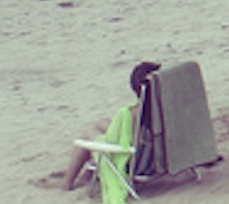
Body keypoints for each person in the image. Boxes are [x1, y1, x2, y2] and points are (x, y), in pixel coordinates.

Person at [63, 62, 162, 190]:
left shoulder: (136, 113)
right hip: (155, 155)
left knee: (88, 134)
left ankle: (67, 183)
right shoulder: (164, 108)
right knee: (101, 122)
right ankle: (86, 174)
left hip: (135, 162)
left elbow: (125, 143)